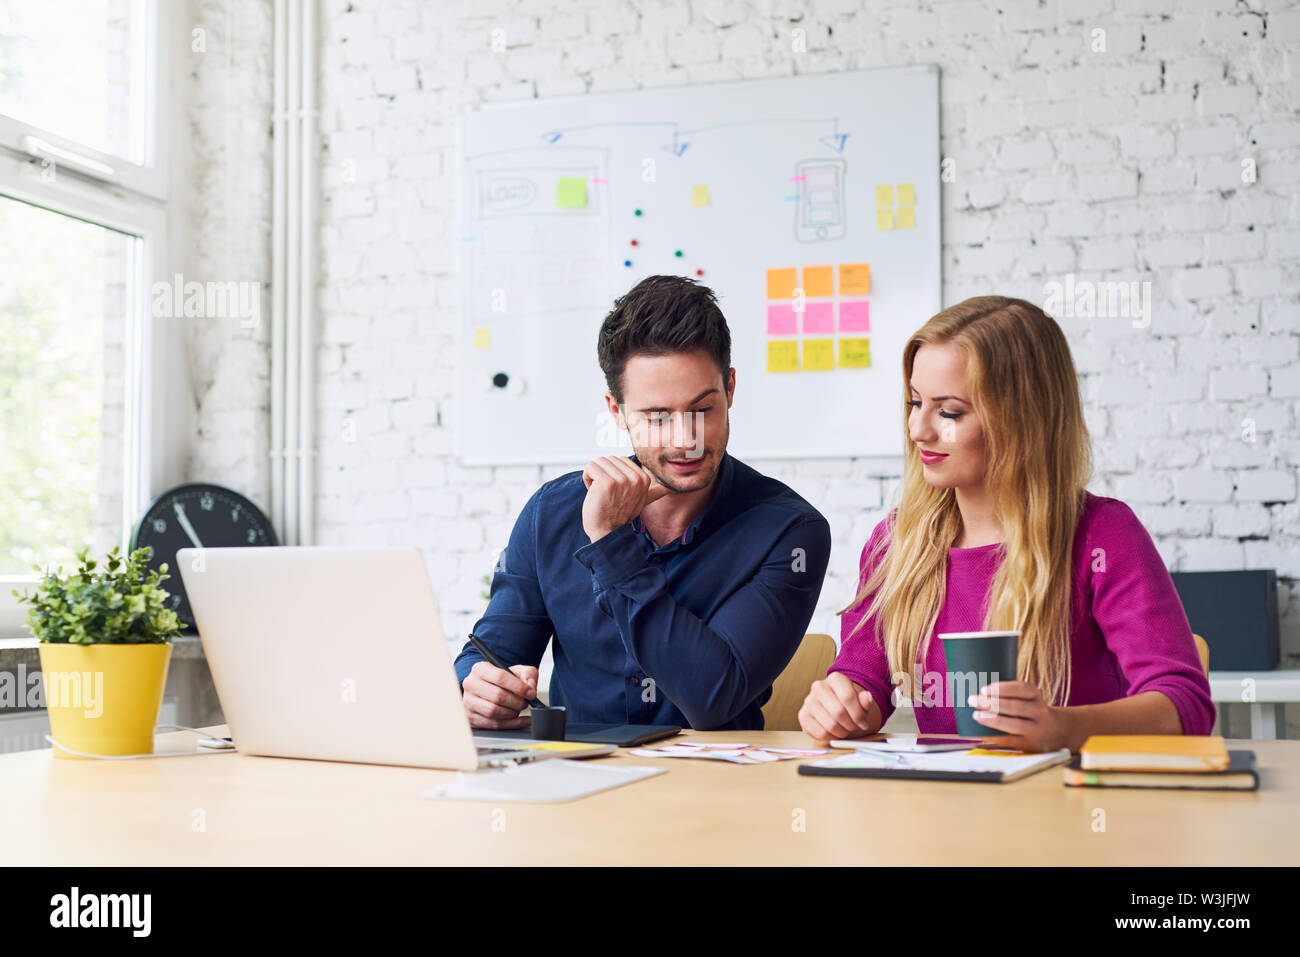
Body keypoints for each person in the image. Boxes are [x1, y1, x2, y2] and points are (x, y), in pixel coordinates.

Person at [799, 296, 1215, 751]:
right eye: (915, 402)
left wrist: (1059, 729)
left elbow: (1184, 705)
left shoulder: (1103, 535)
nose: (919, 429)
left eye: (949, 412)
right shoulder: (898, 542)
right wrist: (841, 705)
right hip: (940, 811)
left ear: (1022, 418)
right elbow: (862, 683)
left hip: (1072, 808)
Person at [456, 275, 831, 731]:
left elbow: (712, 698)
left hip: (717, 789)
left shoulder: (789, 532)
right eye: (657, 417)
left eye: (702, 410)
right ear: (616, 411)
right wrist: (477, 687)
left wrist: (611, 543)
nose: (684, 439)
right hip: (579, 782)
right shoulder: (553, 513)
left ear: (730, 390)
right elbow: (492, 651)